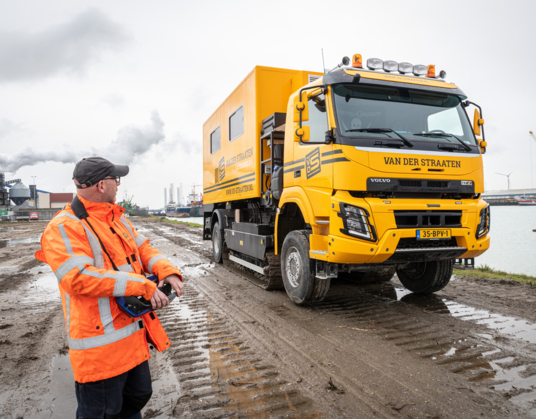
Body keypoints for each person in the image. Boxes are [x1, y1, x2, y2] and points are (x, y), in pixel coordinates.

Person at [35, 157, 184, 419]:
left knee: (136, 399)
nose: (118, 184)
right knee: (102, 413)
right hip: (100, 352)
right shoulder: (64, 227)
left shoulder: (115, 218)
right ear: (102, 185)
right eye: (116, 180)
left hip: (131, 339)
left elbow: (142, 247)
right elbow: (78, 277)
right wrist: (141, 285)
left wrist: (166, 269)